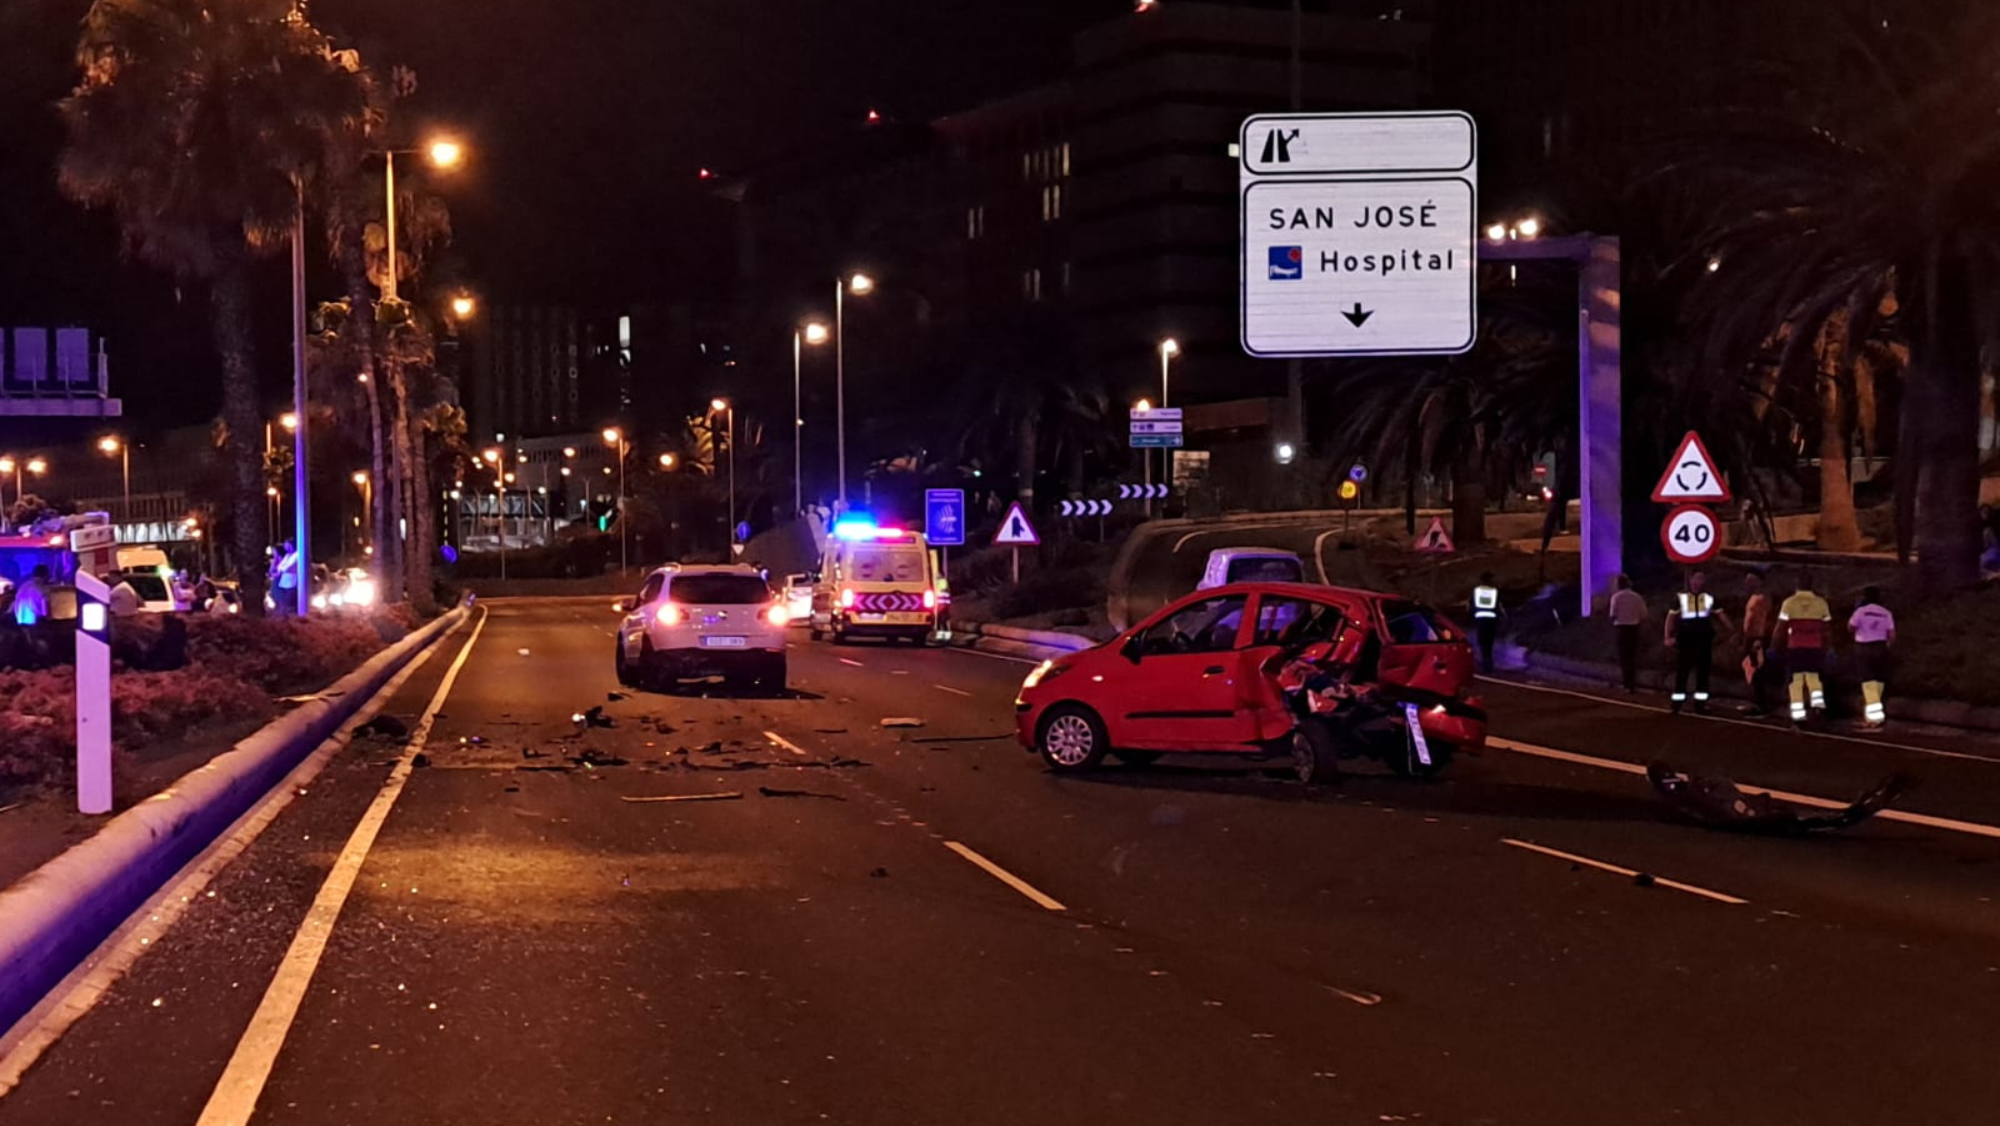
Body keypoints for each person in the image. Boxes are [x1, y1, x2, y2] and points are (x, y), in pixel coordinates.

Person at [1664, 570, 1732, 714]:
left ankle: (1700, 704)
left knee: (1703, 674)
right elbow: (1670, 618)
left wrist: (1731, 631)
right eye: (1696, 578)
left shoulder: (1709, 598)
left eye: (1701, 579)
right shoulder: (1681, 597)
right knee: (1682, 672)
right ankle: (1677, 704)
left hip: (1704, 641)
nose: (1698, 582)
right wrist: (1667, 636)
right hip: (1685, 641)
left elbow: (1721, 616)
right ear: (1690, 580)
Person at [1776, 570, 1834, 726]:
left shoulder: (1789, 603)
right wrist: (1828, 647)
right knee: (1814, 676)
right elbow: (1827, 629)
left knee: (1796, 680)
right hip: (1815, 647)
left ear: (1797, 584)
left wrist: (1774, 646)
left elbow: (1780, 628)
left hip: (1795, 647)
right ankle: (1817, 704)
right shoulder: (1821, 603)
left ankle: (1798, 713)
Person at [1849, 587, 1896, 729]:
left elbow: (1851, 627)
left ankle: (1875, 717)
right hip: (1881, 646)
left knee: (1867, 681)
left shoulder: (1861, 611)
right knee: (1879, 680)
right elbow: (1892, 634)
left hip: (1863, 647)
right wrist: (1888, 646)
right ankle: (1870, 717)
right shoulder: (1886, 613)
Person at [1739, 572, 1776, 717]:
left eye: (1752, 580)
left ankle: (1761, 705)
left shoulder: (1763, 598)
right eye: (1747, 580)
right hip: (1750, 638)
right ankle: (1755, 701)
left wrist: (1759, 640)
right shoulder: (1753, 597)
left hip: (1757, 639)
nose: (1748, 583)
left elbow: (1763, 620)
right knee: (1750, 670)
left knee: (1757, 671)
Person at [1607, 574, 1646, 694]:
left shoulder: (1616, 597)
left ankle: (1626, 684)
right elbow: (1643, 614)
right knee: (1632, 656)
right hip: (1634, 628)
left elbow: (1613, 614)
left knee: (1624, 657)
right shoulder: (1637, 597)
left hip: (1621, 628)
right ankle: (1632, 684)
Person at [1469, 572, 1501, 673]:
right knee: (1489, 643)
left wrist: (1471, 618)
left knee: (1482, 643)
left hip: (1480, 619)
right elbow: (1497, 606)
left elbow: (1471, 605)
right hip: (1491, 620)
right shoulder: (1495, 591)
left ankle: (1485, 665)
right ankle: (1489, 665)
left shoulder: (1477, 591)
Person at [271, 540, 300, 614]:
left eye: (287, 546)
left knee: (288, 601)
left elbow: (288, 567)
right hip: (284, 581)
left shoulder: (297, 555)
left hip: (291, 581)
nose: (286, 547)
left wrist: (281, 569)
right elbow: (281, 566)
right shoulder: (288, 555)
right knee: (282, 599)